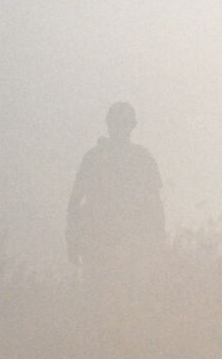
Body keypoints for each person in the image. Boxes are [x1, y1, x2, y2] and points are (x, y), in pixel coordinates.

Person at [66, 102, 164, 277]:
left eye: (123, 122)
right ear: (109, 124)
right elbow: (75, 202)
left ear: (132, 125)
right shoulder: (94, 158)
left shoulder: (142, 159)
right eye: (116, 122)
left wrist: (157, 242)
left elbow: (155, 206)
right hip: (100, 245)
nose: (119, 127)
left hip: (131, 247)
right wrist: (73, 241)